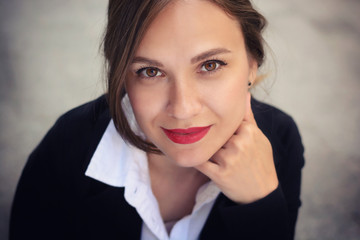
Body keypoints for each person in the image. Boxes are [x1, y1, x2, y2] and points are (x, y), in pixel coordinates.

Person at [10, 0, 305, 239]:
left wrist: (260, 205)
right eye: (151, 71)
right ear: (123, 74)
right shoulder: (68, 146)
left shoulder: (281, 140)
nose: (183, 109)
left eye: (210, 65)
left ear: (252, 65)